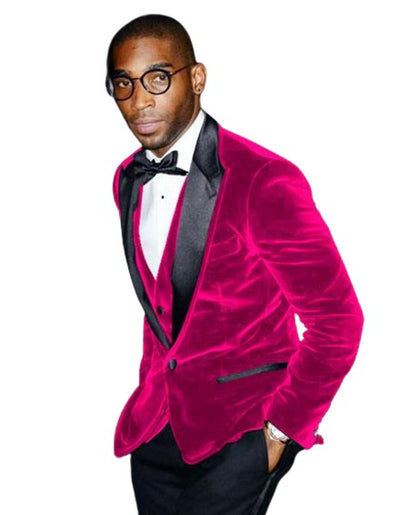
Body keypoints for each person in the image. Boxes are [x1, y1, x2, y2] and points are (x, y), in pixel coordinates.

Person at [105, 13, 364, 514]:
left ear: (197, 78)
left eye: (157, 78)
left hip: (239, 434)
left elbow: (338, 320)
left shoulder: (263, 179)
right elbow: (167, 306)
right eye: (123, 83)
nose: (139, 101)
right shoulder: (126, 180)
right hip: (155, 434)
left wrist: (279, 433)